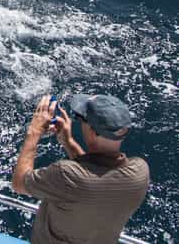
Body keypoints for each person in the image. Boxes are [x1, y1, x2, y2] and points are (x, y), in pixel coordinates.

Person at [12, 94, 150, 244]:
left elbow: (19, 183)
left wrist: (34, 131)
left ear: (92, 131)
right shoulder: (140, 173)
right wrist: (68, 142)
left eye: (82, 118)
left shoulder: (65, 174)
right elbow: (96, 176)